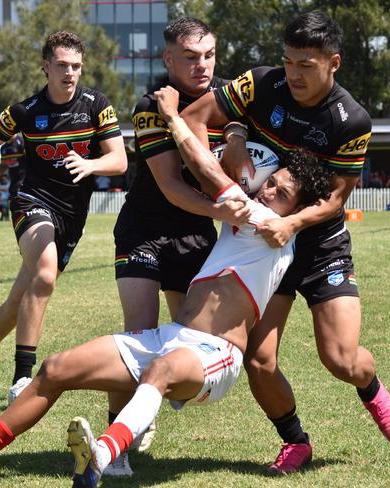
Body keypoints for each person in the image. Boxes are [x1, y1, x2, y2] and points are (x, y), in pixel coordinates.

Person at [0, 93, 333, 483]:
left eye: (282, 192)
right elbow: (217, 173)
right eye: (273, 182)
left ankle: (103, 455)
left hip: (215, 357)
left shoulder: (274, 228)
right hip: (170, 338)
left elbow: (207, 170)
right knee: (55, 369)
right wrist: (235, 132)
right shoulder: (252, 211)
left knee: (160, 372)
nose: (270, 189)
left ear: (296, 210)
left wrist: (171, 115)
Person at [180, 10, 390, 473]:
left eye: (307, 64)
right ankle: (296, 441)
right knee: (258, 360)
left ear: (334, 63)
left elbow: (335, 200)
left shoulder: (352, 121)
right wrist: (233, 137)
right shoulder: (262, 83)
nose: (294, 74)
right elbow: (193, 117)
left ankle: (372, 389)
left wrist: (291, 225)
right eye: (288, 61)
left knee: (340, 358)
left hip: (319, 243)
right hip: (264, 245)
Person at [0, 31, 127, 403]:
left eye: (76, 65)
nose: (70, 72)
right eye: (62, 65)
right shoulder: (26, 110)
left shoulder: (97, 105)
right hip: (33, 201)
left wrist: (90, 164)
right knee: (45, 273)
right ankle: (22, 379)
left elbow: (119, 160)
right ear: (46, 66)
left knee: (20, 299)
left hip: (72, 216)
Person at [108, 17, 250, 473]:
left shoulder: (229, 97)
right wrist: (225, 210)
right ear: (169, 58)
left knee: (194, 340)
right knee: (137, 337)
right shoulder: (151, 106)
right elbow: (170, 185)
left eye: (208, 55)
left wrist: (236, 133)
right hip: (144, 230)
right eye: (190, 57)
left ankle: (154, 394)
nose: (201, 65)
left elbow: (237, 159)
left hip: (196, 235)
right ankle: (117, 449)